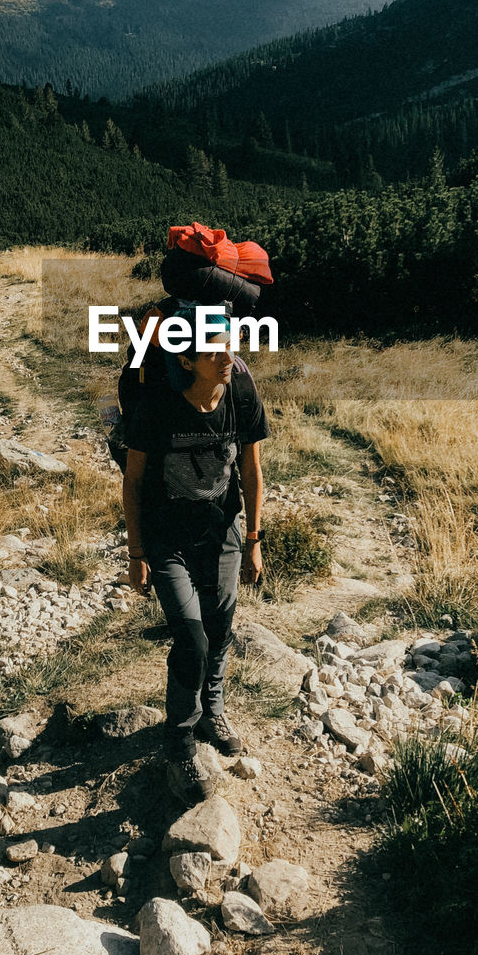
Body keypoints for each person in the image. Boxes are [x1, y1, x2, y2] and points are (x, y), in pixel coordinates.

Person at [122, 303, 269, 801]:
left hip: (222, 529)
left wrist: (253, 540)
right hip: (167, 536)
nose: (227, 355)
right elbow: (134, 479)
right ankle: (180, 736)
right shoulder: (159, 404)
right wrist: (136, 552)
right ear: (186, 361)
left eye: (229, 344)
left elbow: (251, 472)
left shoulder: (241, 393)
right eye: (214, 349)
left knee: (221, 625)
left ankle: (213, 709)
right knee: (191, 635)